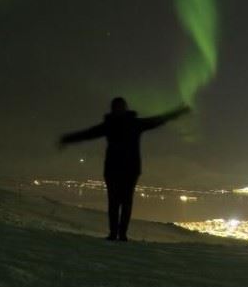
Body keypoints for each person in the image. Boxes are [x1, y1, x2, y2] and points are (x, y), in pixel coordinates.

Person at [59, 97, 190, 241]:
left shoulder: (123, 124)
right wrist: (67, 139)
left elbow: (157, 120)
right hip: (122, 170)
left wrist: (178, 112)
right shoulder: (126, 124)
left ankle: (118, 234)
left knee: (120, 202)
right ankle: (117, 234)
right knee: (119, 202)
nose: (118, 110)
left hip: (122, 170)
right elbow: (89, 134)